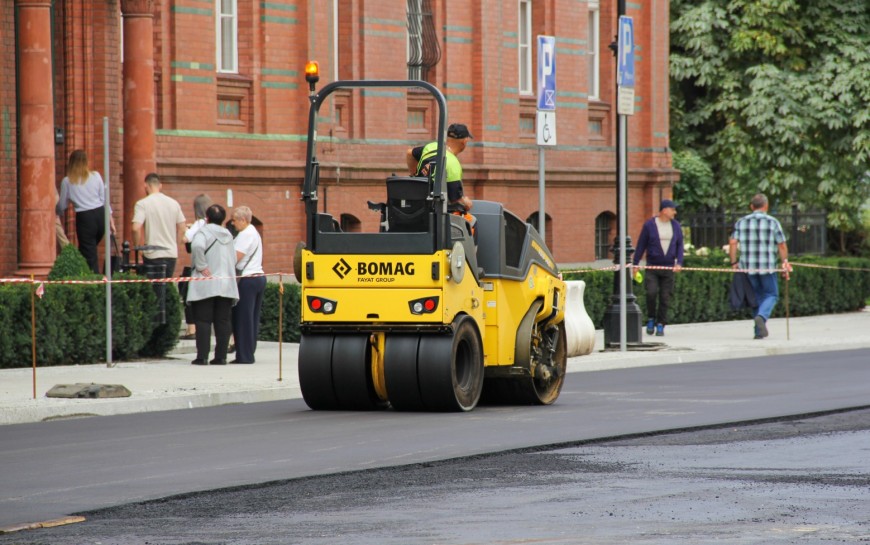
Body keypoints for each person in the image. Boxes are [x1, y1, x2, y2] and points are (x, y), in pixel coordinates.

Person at [729, 193, 791, 340]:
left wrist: (733, 262)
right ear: (766, 206)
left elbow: (732, 242)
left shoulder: (741, 222)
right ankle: (762, 318)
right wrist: (785, 262)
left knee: (756, 298)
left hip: (748, 267)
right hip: (768, 267)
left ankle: (758, 332)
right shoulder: (773, 222)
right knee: (771, 295)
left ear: (752, 206)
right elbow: (781, 245)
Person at [186, 204, 238, 365]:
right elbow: (233, 258)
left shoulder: (204, 232)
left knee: (203, 320)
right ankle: (221, 357)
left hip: (206, 283)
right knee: (223, 321)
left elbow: (197, 245)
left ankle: (202, 357)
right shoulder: (228, 235)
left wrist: (202, 266)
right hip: (226, 284)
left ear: (207, 218)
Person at [56, 149, 116, 273]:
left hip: (85, 218)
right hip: (100, 215)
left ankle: (93, 283)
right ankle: (85, 274)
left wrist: (56, 212)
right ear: (86, 162)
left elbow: (62, 205)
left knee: (89, 255)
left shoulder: (67, 181)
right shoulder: (96, 175)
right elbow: (104, 199)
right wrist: (111, 220)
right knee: (89, 250)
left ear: (71, 163)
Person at [632, 199, 685, 336]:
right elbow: (641, 245)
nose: (675, 212)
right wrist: (635, 264)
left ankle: (661, 323)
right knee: (651, 292)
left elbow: (680, 246)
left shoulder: (676, 226)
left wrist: (679, 262)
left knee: (665, 297)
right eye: (673, 209)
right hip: (652, 267)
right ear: (664, 210)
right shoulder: (650, 225)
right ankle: (651, 318)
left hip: (668, 268)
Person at [406, 123, 473, 212]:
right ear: (464, 141)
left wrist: (415, 176)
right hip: (435, 214)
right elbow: (456, 201)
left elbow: (410, 153)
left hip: (416, 206)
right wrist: (467, 203)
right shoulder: (453, 164)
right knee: (472, 222)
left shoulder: (431, 147)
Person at [131, 173, 186, 278]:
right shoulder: (174, 203)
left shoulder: (142, 204)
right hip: (170, 254)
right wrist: (175, 245)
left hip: (153, 254)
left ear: (146, 186)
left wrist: (138, 247)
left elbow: (135, 228)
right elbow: (182, 228)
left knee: (154, 291)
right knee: (166, 288)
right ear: (160, 186)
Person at [231, 206, 266, 364]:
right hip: (258, 277)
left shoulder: (246, 235)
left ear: (242, 220)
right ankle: (248, 352)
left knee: (242, 318)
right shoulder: (253, 232)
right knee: (252, 318)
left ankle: (244, 356)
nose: (232, 223)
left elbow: (236, 257)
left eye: (234, 220)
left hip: (248, 279)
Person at [180, 194, 213, 339]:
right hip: (212, 266)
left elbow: (185, 238)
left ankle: (192, 330)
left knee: (190, 297)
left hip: (198, 266)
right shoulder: (214, 225)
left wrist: (187, 229)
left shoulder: (199, 223)